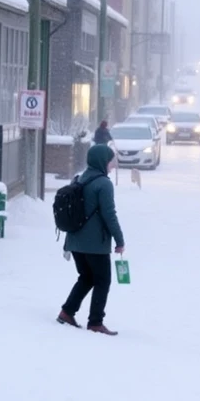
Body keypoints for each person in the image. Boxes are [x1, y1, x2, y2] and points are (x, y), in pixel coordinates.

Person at [56, 144, 125, 336]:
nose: (112, 165)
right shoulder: (103, 184)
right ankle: (95, 322)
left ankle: (67, 311)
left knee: (86, 277)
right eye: (110, 160)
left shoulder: (79, 179)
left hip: (75, 240)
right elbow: (109, 215)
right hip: (95, 244)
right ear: (103, 160)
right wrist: (119, 241)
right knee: (103, 280)